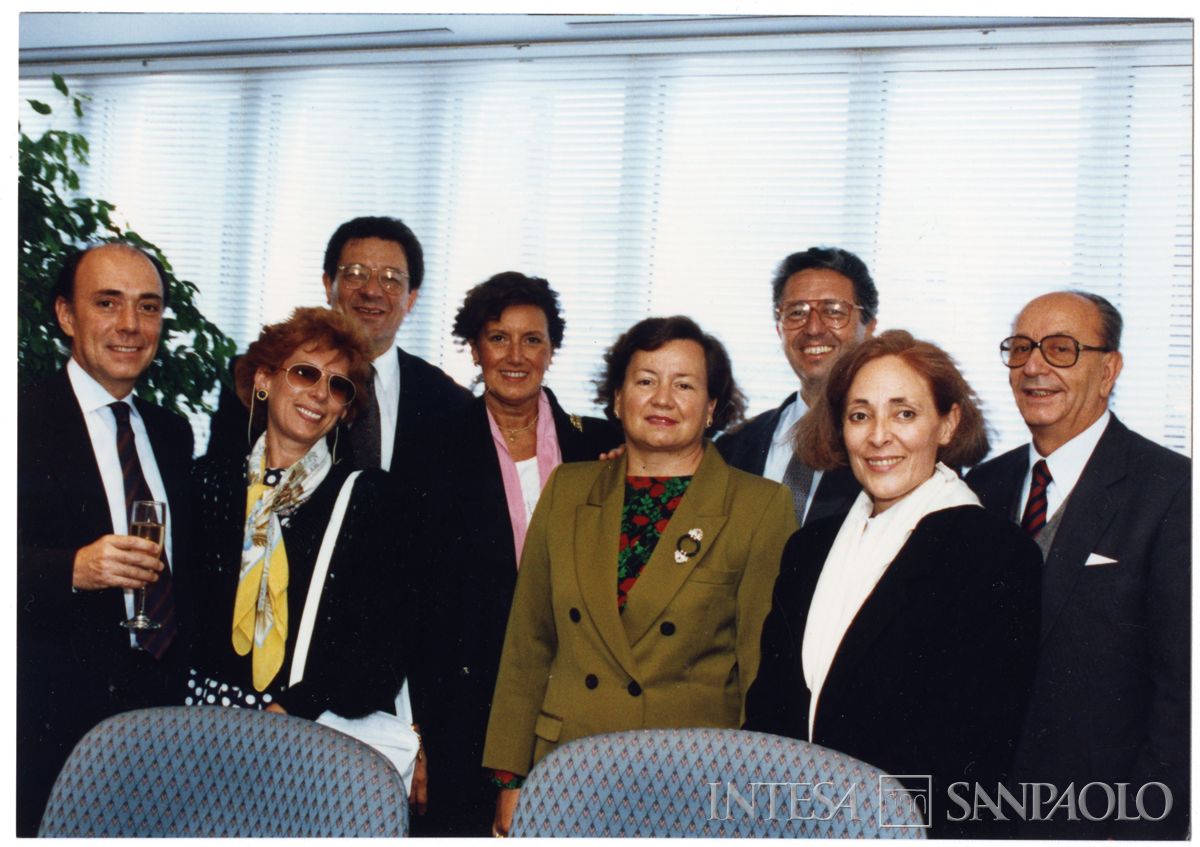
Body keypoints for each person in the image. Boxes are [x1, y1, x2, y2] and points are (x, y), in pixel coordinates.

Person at [483, 315, 797, 836]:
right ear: (617, 398)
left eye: (685, 384)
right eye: (646, 380)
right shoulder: (568, 489)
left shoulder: (759, 506)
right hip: (566, 771)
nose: (663, 399)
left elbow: (760, 672)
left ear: (713, 405)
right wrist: (509, 781)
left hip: (694, 781)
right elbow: (527, 648)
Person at [745, 329, 1041, 838]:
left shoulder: (995, 554)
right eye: (860, 415)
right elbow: (769, 712)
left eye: (905, 413)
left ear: (947, 423)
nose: (879, 435)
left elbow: (976, 752)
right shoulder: (809, 549)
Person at [405, 272, 622, 837]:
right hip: (464, 714)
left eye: (533, 339)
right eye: (498, 338)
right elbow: (414, 607)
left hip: (577, 703)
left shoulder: (601, 445)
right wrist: (417, 737)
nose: (516, 355)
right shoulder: (431, 448)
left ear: (552, 350)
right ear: (475, 349)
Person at [966, 291, 1189, 839]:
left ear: (1109, 369)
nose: (1034, 366)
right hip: (982, 809)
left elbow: (1184, 696)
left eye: (1061, 349)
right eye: (1019, 349)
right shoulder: (980, 488)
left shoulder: (1173, 491)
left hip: (1105, 815)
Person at [17, 242, 194, 836]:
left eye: (148, 307)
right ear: (67, 316)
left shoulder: (171, 433)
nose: (130, 326)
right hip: (41, 728)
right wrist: (71, 568)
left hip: (156, 728)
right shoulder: (16, 417)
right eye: (108, 303)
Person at [187, 307, 404, 725]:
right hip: (195, 719)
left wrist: (292, 708)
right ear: (264, 380)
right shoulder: (205, 482)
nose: (320, 393)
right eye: (305, 373)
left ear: (345, 410)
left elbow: (379, 651)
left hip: (303, 732)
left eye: (338, 386)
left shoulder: (366, 500)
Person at [206, 215, 472, 472]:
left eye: (391, 279)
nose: (371, 291)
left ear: (411, 298)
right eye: (355, 274)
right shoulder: (262, 373)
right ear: (327, 284)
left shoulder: (449, 402)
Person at [717, 247, 877, 525]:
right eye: (796, 312)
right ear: (779, 329)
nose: (813, 328)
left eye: (833, 311)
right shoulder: (734, 446)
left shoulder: (892, 446)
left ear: (869, 328)